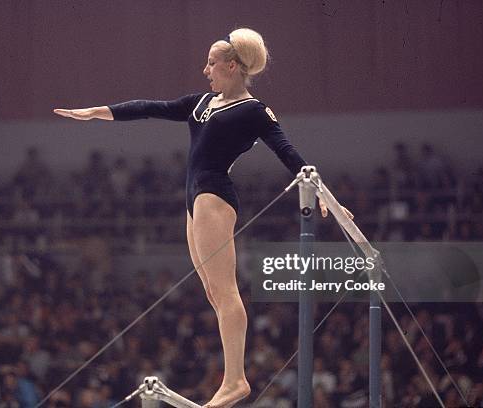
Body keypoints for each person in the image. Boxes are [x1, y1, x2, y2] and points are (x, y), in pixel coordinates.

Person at [54, 27, 353, 408]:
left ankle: (235, 380)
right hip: (194, 199)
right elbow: (151, 107)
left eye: (211, 63)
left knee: (225, 290)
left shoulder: (253, 111)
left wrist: (328, 194)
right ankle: (232, 378)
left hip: (214, 195)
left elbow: (288, 152)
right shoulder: (201, 103)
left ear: (232, 65)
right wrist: (98, 112)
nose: (205, 69)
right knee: (213, 292)